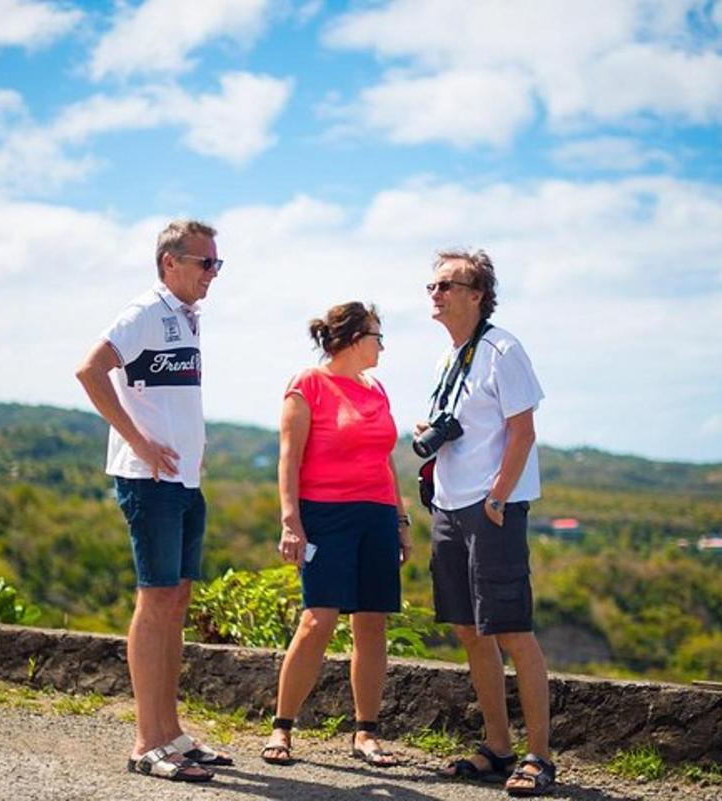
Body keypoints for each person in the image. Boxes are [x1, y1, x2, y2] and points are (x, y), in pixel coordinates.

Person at [74, 219, 230, 784]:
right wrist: (138, 442)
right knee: (155, 601)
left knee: (176, 603)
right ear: (171, 262)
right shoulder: (144, 311)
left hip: (184, 482)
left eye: (217, 263)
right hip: (149, 482)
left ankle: (171, 733)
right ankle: (147, 741)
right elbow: (89, 370)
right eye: (205, 263)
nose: (213, 273)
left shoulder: (186, 317)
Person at [418, 250, 556, 797]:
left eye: (447, 285)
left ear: (477, 294)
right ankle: (498, 747)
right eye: (432, 285)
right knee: (469, 630)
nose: (435, 293)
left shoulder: (504, 349)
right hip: (450, 507)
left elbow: (523, 432)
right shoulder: (448, 359)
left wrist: (498, 497)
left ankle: (540, 757)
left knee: (513, 630)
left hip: (491, 508)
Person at [261, 302, 411, 769]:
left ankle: (366, 732)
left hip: (377, 515)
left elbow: (386, 460)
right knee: (317, 621)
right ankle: (282, 727)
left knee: (371, 624)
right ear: (351, 338)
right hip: (325, 515)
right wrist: (290, 521)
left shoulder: (377, 388)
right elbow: (289, 459)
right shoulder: (307, 385)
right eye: (377, 336)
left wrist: (401, 521)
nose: (382, 345)